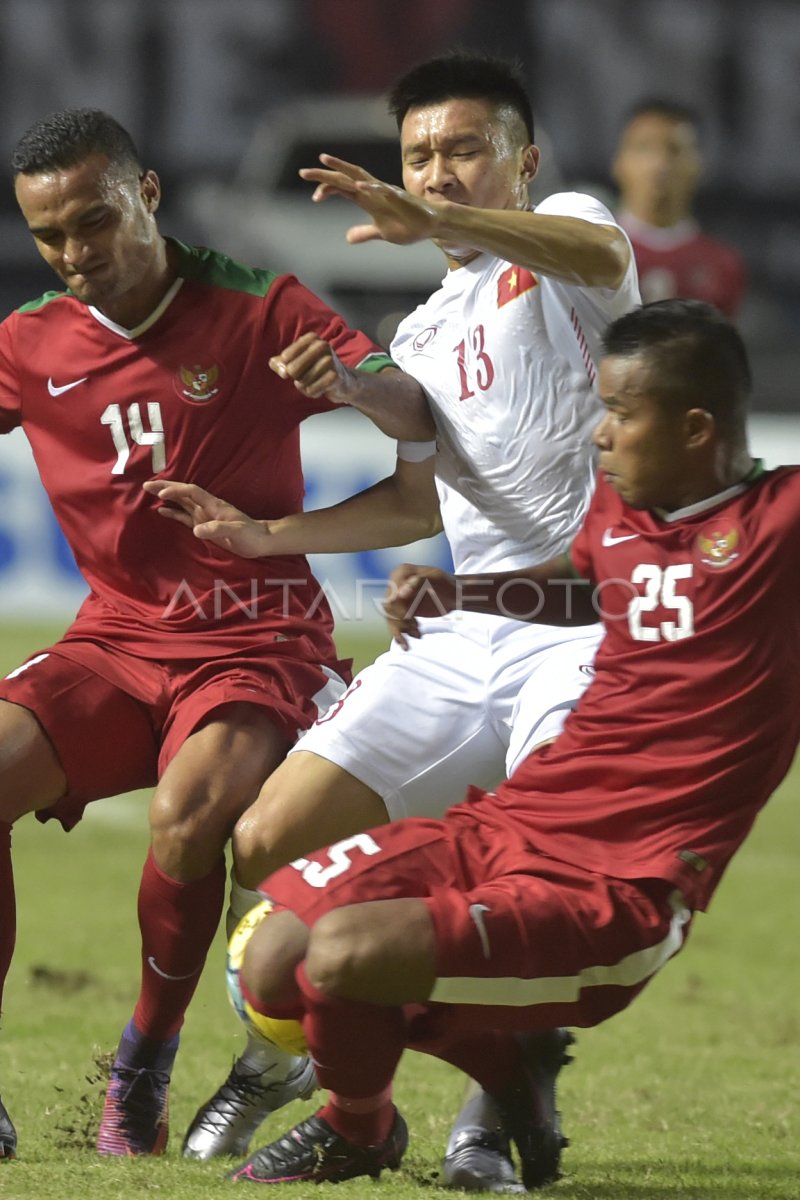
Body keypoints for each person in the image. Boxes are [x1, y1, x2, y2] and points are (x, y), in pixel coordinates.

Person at [160, 51, 639, 1186]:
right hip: (463, 633)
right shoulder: (422, 325)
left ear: (519, 161)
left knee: (526, 887)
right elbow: (418, 491)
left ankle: (487, 1108)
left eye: (463, 150)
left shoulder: (565, 238)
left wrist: (426, 214)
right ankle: (300, 1068)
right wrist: (270, 521)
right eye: (419, 154)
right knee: (268, 836)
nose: (438, 171)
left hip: (580, 636)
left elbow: (603, 254)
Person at [220, 299, 800, 1188]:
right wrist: (467, 595)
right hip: (518, 822)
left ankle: (359, 1128)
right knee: (270, 956)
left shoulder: (780, 525)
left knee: (341, 959)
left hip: (621, 884)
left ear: (696, 428)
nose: (598, 436)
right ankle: (505, 1061)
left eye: (620, 413)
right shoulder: (620, 510)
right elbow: (584, 580)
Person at [0, 106, 434, 1162]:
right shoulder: (28, 341)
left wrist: (354, 384)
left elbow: (415, 417)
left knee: (191, 816)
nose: (74, 255)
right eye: (50, 236)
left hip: (254, 636)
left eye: (93, 222)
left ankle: (144, 1058)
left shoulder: (257, 308)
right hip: (111, 636)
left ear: (146, 194)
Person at [613, 99, 746, 317]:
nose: (659, 164)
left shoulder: (723, 265)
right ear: (619, 162)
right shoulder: (593, 250)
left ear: (698, 165)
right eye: (644, 148)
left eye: (675, 150)